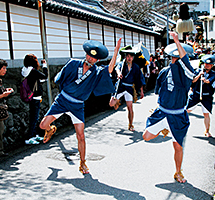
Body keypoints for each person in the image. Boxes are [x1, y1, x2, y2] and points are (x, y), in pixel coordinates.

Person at [39, 38, 122, 174]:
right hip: (63, 100)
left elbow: (109, 70)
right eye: (89, 55)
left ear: (98, 60)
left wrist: (116, 51)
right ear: (86, 54)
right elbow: (58, 79)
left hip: (77, 105)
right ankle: (50, 129)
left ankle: (83, 163)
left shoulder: (96, 71)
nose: (90, 58)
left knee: (81, 135)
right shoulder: (73, 63)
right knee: (42, 125)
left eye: (94, 58)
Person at [142, 32, 195, 183]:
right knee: (146, 137)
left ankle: (178, 172)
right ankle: (164, 128)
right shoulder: (164, 71)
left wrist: (177, 41)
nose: (175, 60)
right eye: (173, 57)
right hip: (162, 112)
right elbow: (159, 91)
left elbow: (185, 61)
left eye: (177, 58)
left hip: (178, 115)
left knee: (177, 147)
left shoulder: (187, 74)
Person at [109, 48, 145, 131]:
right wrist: (119, 74)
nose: (129, 58)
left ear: (133, 58)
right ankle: (117, 102)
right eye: (127, 56)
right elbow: (117, 68)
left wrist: (141, 91)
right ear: (125, 57)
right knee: (111, 104)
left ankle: (130, 124)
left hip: (129, 87)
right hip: (120, 86)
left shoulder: (136, 67)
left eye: (130, 57)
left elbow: (140, 79)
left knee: (130, 108)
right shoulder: (122, 64)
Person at [187, 55, 215, 137]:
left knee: (206, 114)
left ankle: (207, 131)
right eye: (206, 64)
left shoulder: (214, 74)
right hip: (196, 94)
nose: (207, 66)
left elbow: (210, 81)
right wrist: (199, 75)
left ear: (212, 65)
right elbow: (192, 81)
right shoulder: (198, 71)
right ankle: (180, 126)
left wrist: (205, 80)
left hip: (206, 96)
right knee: (186, 110)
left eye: (209, 65)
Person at [21, 54, 48, 144]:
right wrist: (44, 65)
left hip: (32, 96)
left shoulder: (27, 71)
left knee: (34, 117)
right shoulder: (33, 71)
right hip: (35, 97)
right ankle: (29, 137)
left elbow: (40, 80)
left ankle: (34, 134)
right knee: (34, 118)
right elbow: (45, 76)